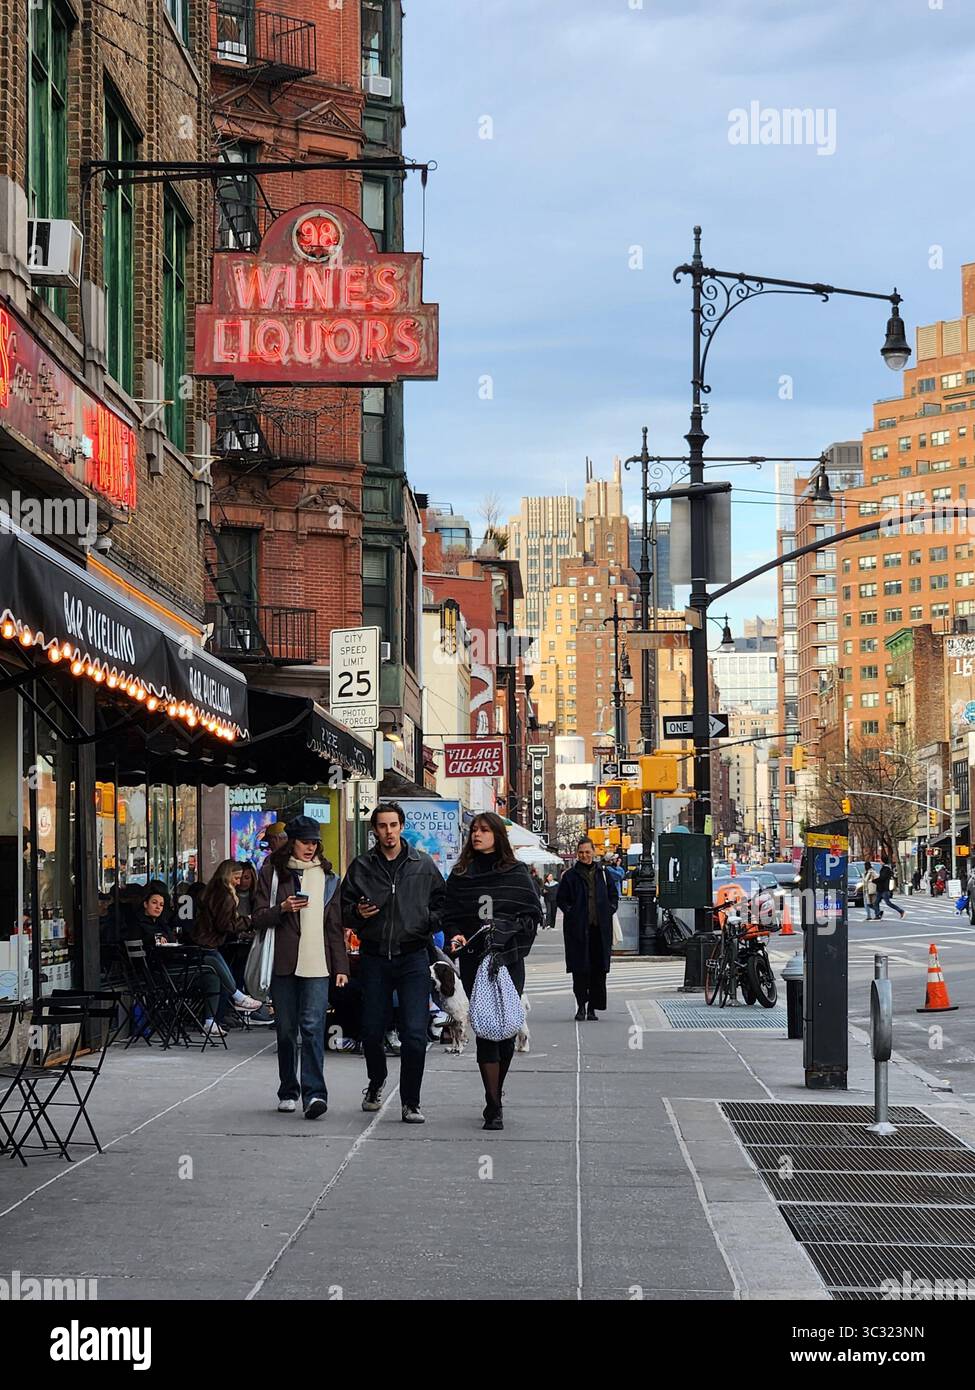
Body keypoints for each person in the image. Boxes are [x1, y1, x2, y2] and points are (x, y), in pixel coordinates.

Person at [340, 802, 446, 1124]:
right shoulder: (362, 867)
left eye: (393, 825)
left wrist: (427, 921)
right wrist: (357, 914)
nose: (388, 832)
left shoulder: (422, 864)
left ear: (401, 827)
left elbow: (443, 903)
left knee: (415, 1033)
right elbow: (342, 910)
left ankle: (410, 1101)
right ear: (374, 830)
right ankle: (376, 1081)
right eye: (382, 826)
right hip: (374, 957)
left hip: (413, 955)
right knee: (371, 1031)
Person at [443, 813, 541, 1130]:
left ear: (497, 836)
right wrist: (456, 934)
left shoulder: (516, 873)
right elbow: (449, 915)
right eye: (474, 830)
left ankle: (496, 1088)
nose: (477, 834)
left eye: (484, 830)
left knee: (506, 1029)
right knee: (486, 1027)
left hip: (508, 960)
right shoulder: (461, 875)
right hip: (475, 960)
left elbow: (531, 916)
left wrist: (505, 931)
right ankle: (493, 1102)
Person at [251, 817, 348, 1117]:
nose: (310, 847)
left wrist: (341, 966)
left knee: (313, 1028)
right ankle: (288, 1089)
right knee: (286, 1030)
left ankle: (315, 1095)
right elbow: (255, 917)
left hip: (318, 963)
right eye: (305, 841)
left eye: (314, 842)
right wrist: (282, 909)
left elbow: (334, 926)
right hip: (283, 963)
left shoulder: (329, 877)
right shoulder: (272, 873)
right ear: (291, 841)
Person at [189, 860, 264, 1023]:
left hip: (203, 941)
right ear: (228, 875)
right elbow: (224, 925)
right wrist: (248, 921)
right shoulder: (225, 895)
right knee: (224, 972)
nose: (238, 882)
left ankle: (212, 1020)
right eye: (236, 878)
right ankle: (238, 997)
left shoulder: (211, 890)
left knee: (217, 976)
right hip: (209, 943)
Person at [556, 837, 619, 1020]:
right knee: (580, 969)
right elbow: (561, 899)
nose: (584, 855)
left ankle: (593, 1007)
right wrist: (572, 913)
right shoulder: (570, 876)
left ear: (594, 852)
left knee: (599, 970)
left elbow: (613, 896)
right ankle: (581, 1005)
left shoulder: (603, 874)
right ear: (577, 853)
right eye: (581, 852)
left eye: (587, 852)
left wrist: (609, 910)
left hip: (600, 930)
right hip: (578, 930)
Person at [876, 854, 905, 919]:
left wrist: (874, 880)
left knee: (888, 903)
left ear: (883, 861)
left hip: (884, 889)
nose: (879, 862)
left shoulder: (886, 869)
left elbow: (882, 878)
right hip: (880, 889)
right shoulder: (885, 868)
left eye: (880, 861)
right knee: (876, 902)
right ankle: (878, 914)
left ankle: (901, 911)